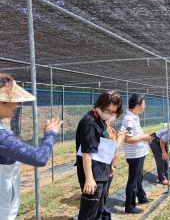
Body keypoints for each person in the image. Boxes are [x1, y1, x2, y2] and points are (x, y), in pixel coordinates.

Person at [0, 73, 62, 219]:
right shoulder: (2, 137)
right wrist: (50, 134)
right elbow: (39, 158)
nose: (17, 104)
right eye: (14, 100)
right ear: (1, 101)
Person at [75, 90, 123, 220]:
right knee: (88, 214)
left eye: (114, 112)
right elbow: (87, 152)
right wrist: (89, 178)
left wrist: (109, 166)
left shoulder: (101, 120)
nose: (110, 115)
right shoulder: (90, 122)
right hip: (94, 176)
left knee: (99, 212)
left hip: (102, 173)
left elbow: (101, 148)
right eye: (108, 111)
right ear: (99, 105)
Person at [122, 93, 153, 214]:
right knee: (134, 180)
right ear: (137, 106)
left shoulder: (134, 117)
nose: (145, 107)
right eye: (144, 104)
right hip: (135, 154)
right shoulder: (129, 119)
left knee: (139, 177)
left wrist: (144, 137)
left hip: (139, 152)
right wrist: (143, 137)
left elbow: (134, 135)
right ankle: (130, 206)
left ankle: (142, 197)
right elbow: (127, 139)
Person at [102, 111, 127, 220]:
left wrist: (117, 135)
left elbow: (111, 141)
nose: (114, 116)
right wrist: (120, 139)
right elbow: (109, 147)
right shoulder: (102, 127)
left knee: (105, 190)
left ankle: (102, 211)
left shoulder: (108, 125)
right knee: (103, 190)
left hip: (110, 163)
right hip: (107, 163)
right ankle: (103, 213)